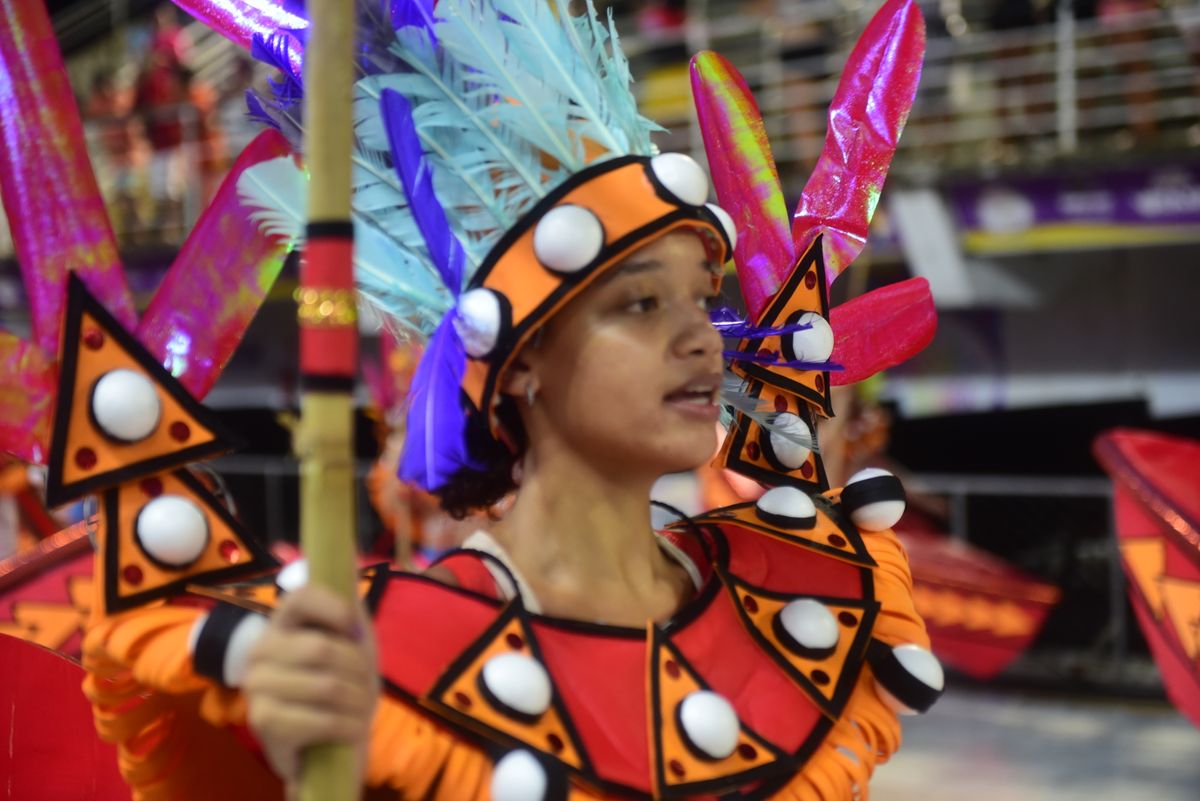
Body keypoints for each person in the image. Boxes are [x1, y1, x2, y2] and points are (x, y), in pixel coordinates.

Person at [81, 2, 939, 800]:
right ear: (521, 364)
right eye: (641, 304)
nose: (703, 339)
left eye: (700, 297)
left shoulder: (798, 587)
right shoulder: (381, 657)